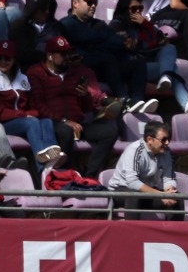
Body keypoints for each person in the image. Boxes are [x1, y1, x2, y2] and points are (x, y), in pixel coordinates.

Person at [25, 34, 120, 178]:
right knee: (66, 131)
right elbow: (38, 105)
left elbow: (86, 108)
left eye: (68, 53)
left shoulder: (74, 73)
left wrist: (85, 96)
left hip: (77, 124)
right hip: (53, 123)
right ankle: (65, 175)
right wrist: (63, 120)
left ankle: (88, 175)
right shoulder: (36, 72)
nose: (67, 57)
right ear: (50, 56)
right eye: (63, 54)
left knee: (110, 131)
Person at [115, 0, 188, 115]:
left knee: (170, 48)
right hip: (132, 67)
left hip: (146, 64)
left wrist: (147, 26)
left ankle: (169, 81)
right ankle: (184, 100)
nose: (138, 11)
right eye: (134, 9)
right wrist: (149, 35)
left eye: (140, 8)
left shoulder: (143, 25)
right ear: (124, 9)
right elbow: (131, 46)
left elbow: (164, 41)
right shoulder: (117, 25)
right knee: (173, 68)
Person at [0, 40, 58, 154]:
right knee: (32, 122)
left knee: (46, 122)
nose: (3, 61)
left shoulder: (22, 78)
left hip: (24, 120)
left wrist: (30, 114)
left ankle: (54, 157)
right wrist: (24, 115)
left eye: (7, 58)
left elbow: (33, 106)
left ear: (14, 60)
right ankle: (43, 161)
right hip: (3, 124)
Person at [115, 123, 181, 219]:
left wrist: (169, 192)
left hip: (148, 192)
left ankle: (174, 228)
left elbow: (169, 178)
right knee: (134, 196)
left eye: (168, 139)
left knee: (177, 198)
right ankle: (131, 228)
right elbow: (132, 183)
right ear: (150, 139)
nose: (167, 143)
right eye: (163, 139)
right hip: (121, 190)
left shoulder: (167, 152)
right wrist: (161, 195)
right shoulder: (135, 150)